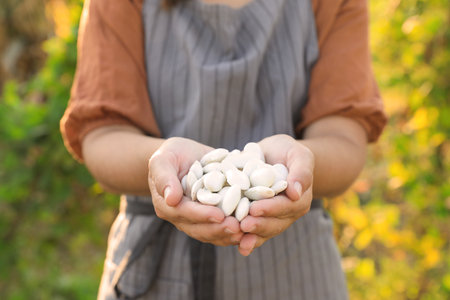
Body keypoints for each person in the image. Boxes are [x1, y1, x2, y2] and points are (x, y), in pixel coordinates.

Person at [60, 0, 387, 299]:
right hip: (154, 274)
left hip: (297, 272)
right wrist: (160, 165)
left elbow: (344, 138)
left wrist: (303, 166)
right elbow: (103, 134)